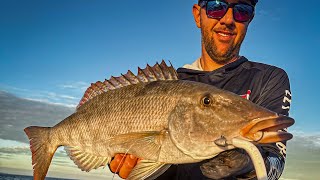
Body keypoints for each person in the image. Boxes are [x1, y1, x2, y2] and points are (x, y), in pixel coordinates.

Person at [109, 0, 292, 179]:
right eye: (216, 6)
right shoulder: (172, 83)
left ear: (249, 19)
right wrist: (137, 169)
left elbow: (275, 162)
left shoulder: (268, 78)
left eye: (242, 10)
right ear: (198, 15)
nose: (228, 20)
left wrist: (247, 165)